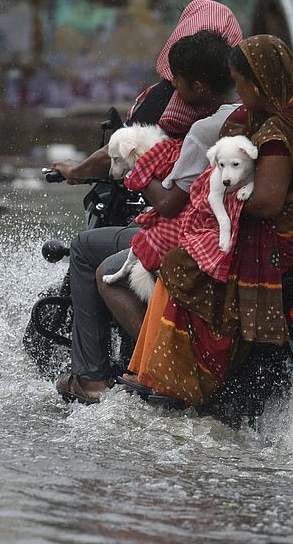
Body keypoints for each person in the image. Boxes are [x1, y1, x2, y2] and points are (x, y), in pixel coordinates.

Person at [123, 34, 293, 406]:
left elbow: (266, 203)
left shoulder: (277, 133)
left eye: (239, 83)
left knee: (178, 265)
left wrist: (218, 195)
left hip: (284, 242)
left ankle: (175, 377)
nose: (237, 91)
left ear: (259, 83)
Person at [54, 24, 240, 405]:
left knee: (89, 253)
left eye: (181, 83)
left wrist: (140, 170)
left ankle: (96, 377)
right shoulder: (260, 117)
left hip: (193, 236)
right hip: (239, 237)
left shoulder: (201, 127)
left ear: (200, 87)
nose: (176, 89)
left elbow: (170, 204)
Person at [50, 0, 242, 182]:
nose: (175, 82)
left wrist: (76, 171)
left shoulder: (171, 99)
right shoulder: (247, 96)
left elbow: (123, 149)